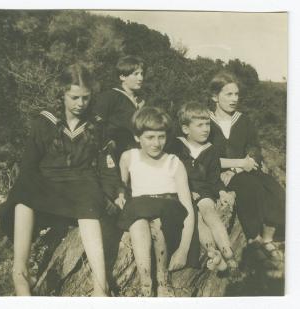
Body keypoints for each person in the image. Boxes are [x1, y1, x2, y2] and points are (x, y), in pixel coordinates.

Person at [0, 64, 121, 296]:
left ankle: (100, 286)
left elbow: (106, 164)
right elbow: (29, 164)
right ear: (62, 93)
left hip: (80, 180)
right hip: (47, 181)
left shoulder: (96, 124)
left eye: (85, 98)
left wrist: (116, 191)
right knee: (24, 192)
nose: (80, 104)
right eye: (74, 97)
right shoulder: (45, 121)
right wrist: (26, 187)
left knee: (90, 201)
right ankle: (20, 272)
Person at [115, 106, 200, 297]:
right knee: (137, 223)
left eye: (161, 137)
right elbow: (120, 187)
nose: (156, 143)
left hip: (168, 213)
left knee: (157, 223)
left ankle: (163, 277)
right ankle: (146, 282)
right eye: (150, 137)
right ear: (138, 137)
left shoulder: (173, 162)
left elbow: (187, 206)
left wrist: (184, 249)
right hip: (139, 209)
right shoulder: (129, 157)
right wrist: (119, 195)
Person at [208, 71, 285, 263]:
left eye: (236, 94)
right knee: (250, 188)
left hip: (243, 169)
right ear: (214, 97)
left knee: (274, 189)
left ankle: (268, 238)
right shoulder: (205, 121)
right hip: (216, 173)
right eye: (228, 94)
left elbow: (254, 147)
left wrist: (242, 164)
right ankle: (253, 238)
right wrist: (233, 168)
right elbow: (204, 156)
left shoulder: (243, 120)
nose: (234, 99)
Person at [168, 101, 239, 274]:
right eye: (199, 125)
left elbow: (214, 179)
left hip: (204, 190)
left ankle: (227, 251)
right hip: (183, 191)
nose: (205, 129)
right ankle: (212, 251)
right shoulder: (176, 146)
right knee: (197, 220)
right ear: (186, 129)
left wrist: (222, 191)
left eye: (207, 124)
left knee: (209, 212)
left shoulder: (211, 150)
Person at [93, 55, 145, 160]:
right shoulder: (110, 96)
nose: (141, 78)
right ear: (122, 77)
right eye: (136, 74)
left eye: (141, 74)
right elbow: (96, 124)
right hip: (116, 154)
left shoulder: (141, 100)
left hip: (138, 151)